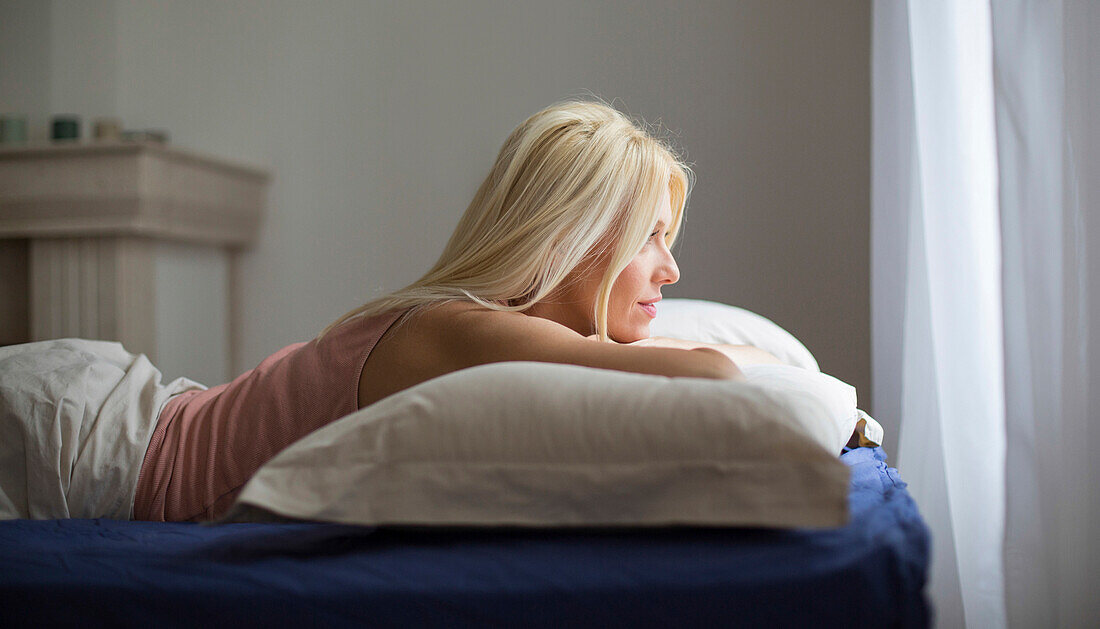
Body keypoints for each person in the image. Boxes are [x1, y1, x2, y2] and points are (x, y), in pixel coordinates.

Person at [6, 99, 781, 523]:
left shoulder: (476, 327)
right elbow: (708, 372)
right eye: (651, 238)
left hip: (120, 413)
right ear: (577, 236)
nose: (671, 269)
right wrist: (776, 364)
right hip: (82, 438)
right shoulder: (457, 328)